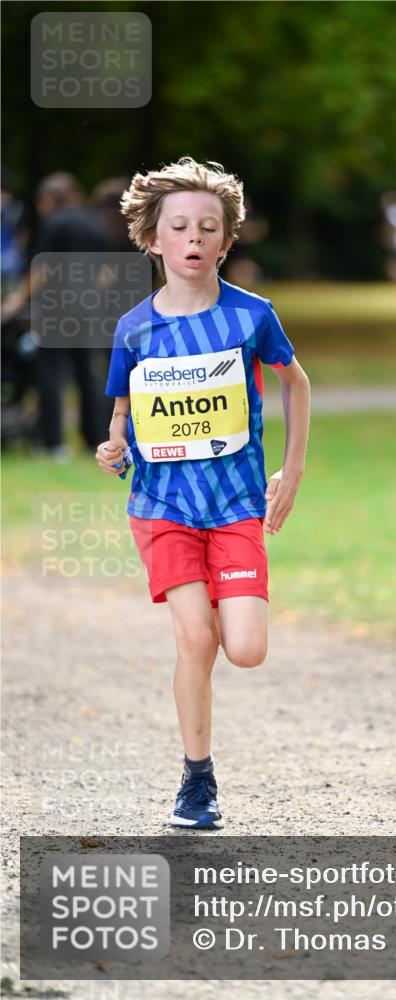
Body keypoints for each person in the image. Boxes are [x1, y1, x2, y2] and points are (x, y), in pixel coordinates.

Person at [96, 156, 310, 828]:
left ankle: (226, 597)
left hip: (236, 504)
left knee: (243, 647)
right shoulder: (134, 329)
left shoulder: (252, 316)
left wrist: (292, 470)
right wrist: (114, 448)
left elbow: (295, 383)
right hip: (162, 508)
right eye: (179, 226)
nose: (193, 238)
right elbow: (122, 416)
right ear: (153, 239)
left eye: (207, 227)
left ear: (226, 239)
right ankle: (197, 782)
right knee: (196, 637)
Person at [3, 171, 112, 459]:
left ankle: (54, 443)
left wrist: (17, 300)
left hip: (56, 306)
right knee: (87, 372)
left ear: (50, 198)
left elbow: (42, 268)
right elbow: (105, 272)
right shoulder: (94, 223)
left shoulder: (54, 222)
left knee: (50, 372)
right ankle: (94, 440)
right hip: (89, 307)